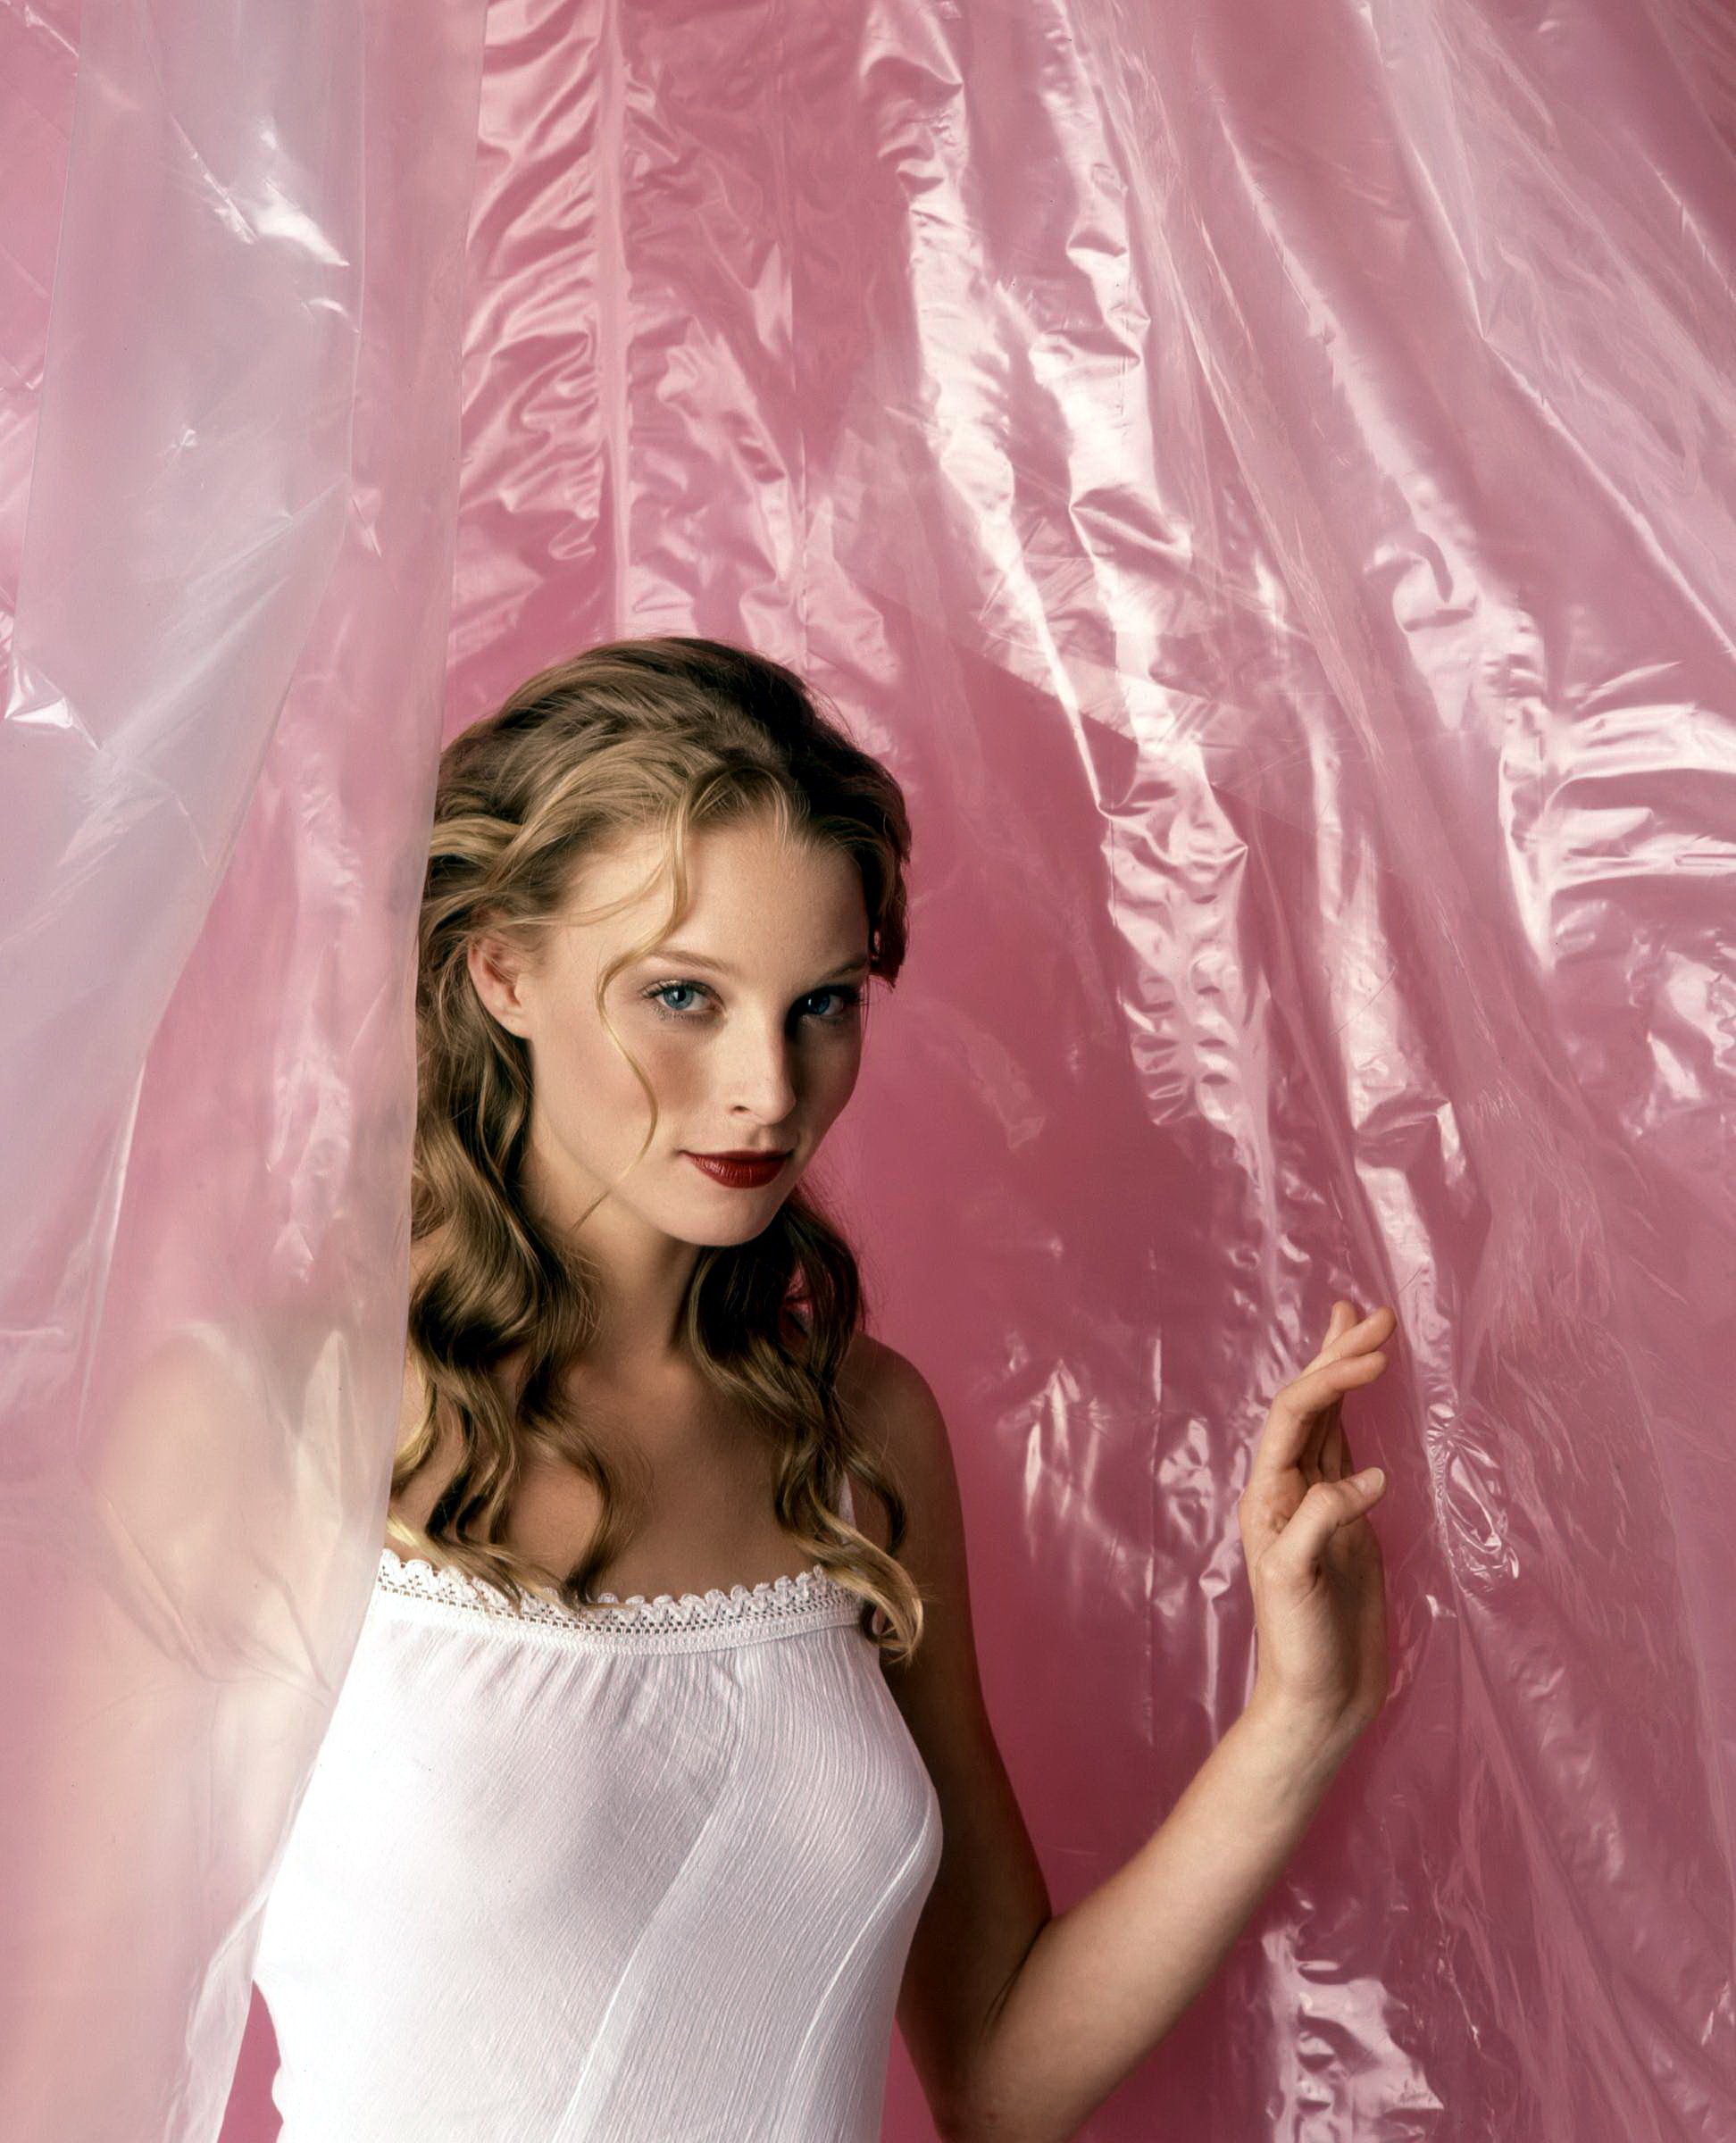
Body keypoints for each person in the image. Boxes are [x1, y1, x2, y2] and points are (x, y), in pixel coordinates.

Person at [252, 635, 1396, 2143]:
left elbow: (999, 2075)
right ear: (501, 969)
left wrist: (1304, 1713)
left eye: (823, 1004)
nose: (768, 1091)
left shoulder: (863, 1437)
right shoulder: (278, 1424)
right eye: (682, 995)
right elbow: (66, 2031)